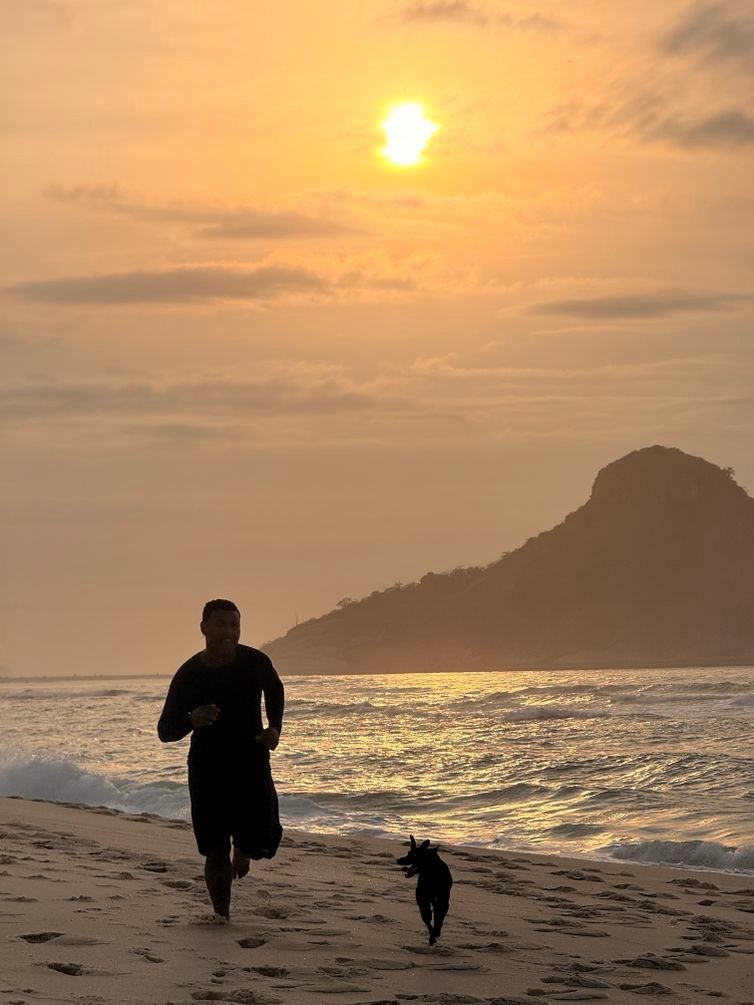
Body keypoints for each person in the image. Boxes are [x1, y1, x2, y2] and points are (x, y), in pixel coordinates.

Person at [157, 598, 284, 922]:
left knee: (262, 834)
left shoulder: (255, 662)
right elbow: (165, 731)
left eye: (234, 625)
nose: (229, 632)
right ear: (203, 628)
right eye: (221, 625)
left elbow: (275, 689)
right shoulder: (189, 674)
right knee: (215, 848)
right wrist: (192, 719)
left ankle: (244, 848)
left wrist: (274, 728)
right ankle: (221, 915)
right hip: (207, 767)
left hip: (251, 761)